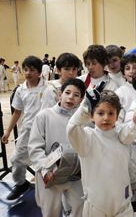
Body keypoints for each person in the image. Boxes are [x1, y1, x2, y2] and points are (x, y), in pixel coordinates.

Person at [67, 85, 136, 217]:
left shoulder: (122, 136)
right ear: (91, 116)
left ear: (117, 117)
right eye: (100, 113)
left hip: (123, 203)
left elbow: (127, 163)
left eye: (111, 113)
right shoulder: (87, 138)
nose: (106, 118)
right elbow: (72, 129)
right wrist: (84, 108)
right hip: (97, 205)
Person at [28, 78, 85, 217]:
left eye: (76, 95)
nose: (71, 97)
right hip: (50, 174)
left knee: (80, 207)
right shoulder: (44, 116)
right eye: (67, 92)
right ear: (60, 95)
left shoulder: (83, 120)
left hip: (74, 174)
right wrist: (45, 167)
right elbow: (35, 147)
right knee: (50, 211)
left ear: (81, 99)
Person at [1, 55, 49, 200]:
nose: (28, 73)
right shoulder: (20, 89)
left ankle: (51, 189)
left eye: (32, 70)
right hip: (27, 131)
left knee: (46, 163)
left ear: (40, 72)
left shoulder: (48, 88)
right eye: (26, 69)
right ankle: (21, 184)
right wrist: (8, 131)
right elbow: (17, 111)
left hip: (46, 131)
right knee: (16, 159)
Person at [115, 53, 136, 217]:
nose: (131, 71)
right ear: (123, 72)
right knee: (132, 179)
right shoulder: (120, 93)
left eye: (135, 67)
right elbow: (118, 122)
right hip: (129, 145)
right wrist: (134, 137)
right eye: (127, 68)